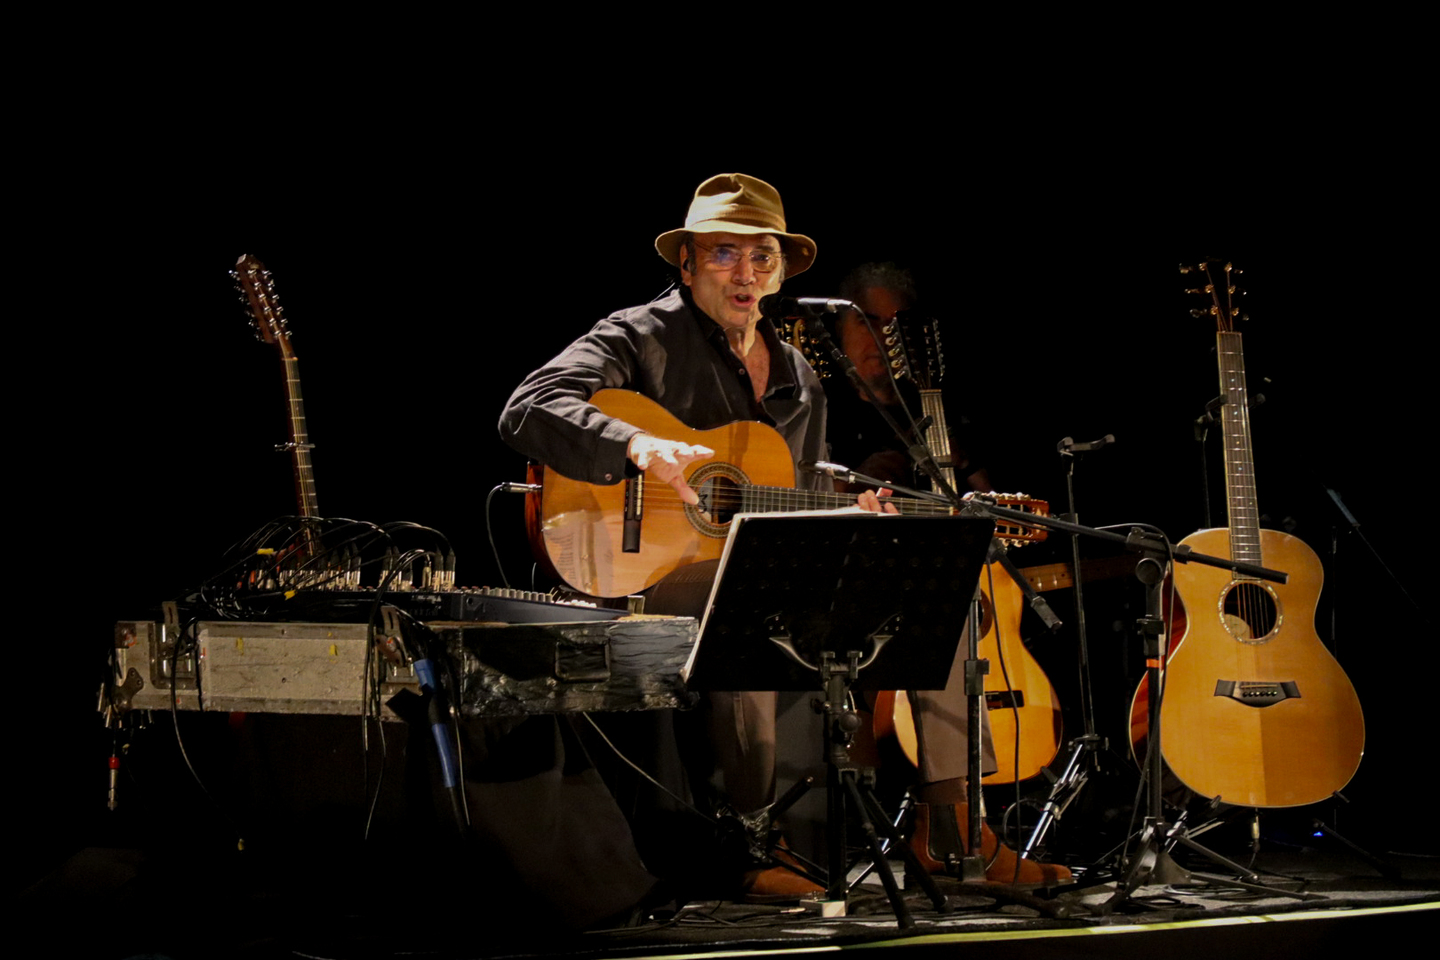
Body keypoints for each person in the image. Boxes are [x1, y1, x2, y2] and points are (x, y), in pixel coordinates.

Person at [821, 263, 1071, 887]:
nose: (883, 339)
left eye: (896, 326)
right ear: (841, 326)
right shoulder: (819, 404)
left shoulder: (938, 414)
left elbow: (988, 516)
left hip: (911, 584)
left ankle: (954, 829)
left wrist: (963, 479)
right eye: (870, 323)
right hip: (829, 571)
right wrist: (854, 480)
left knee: (946, 598)